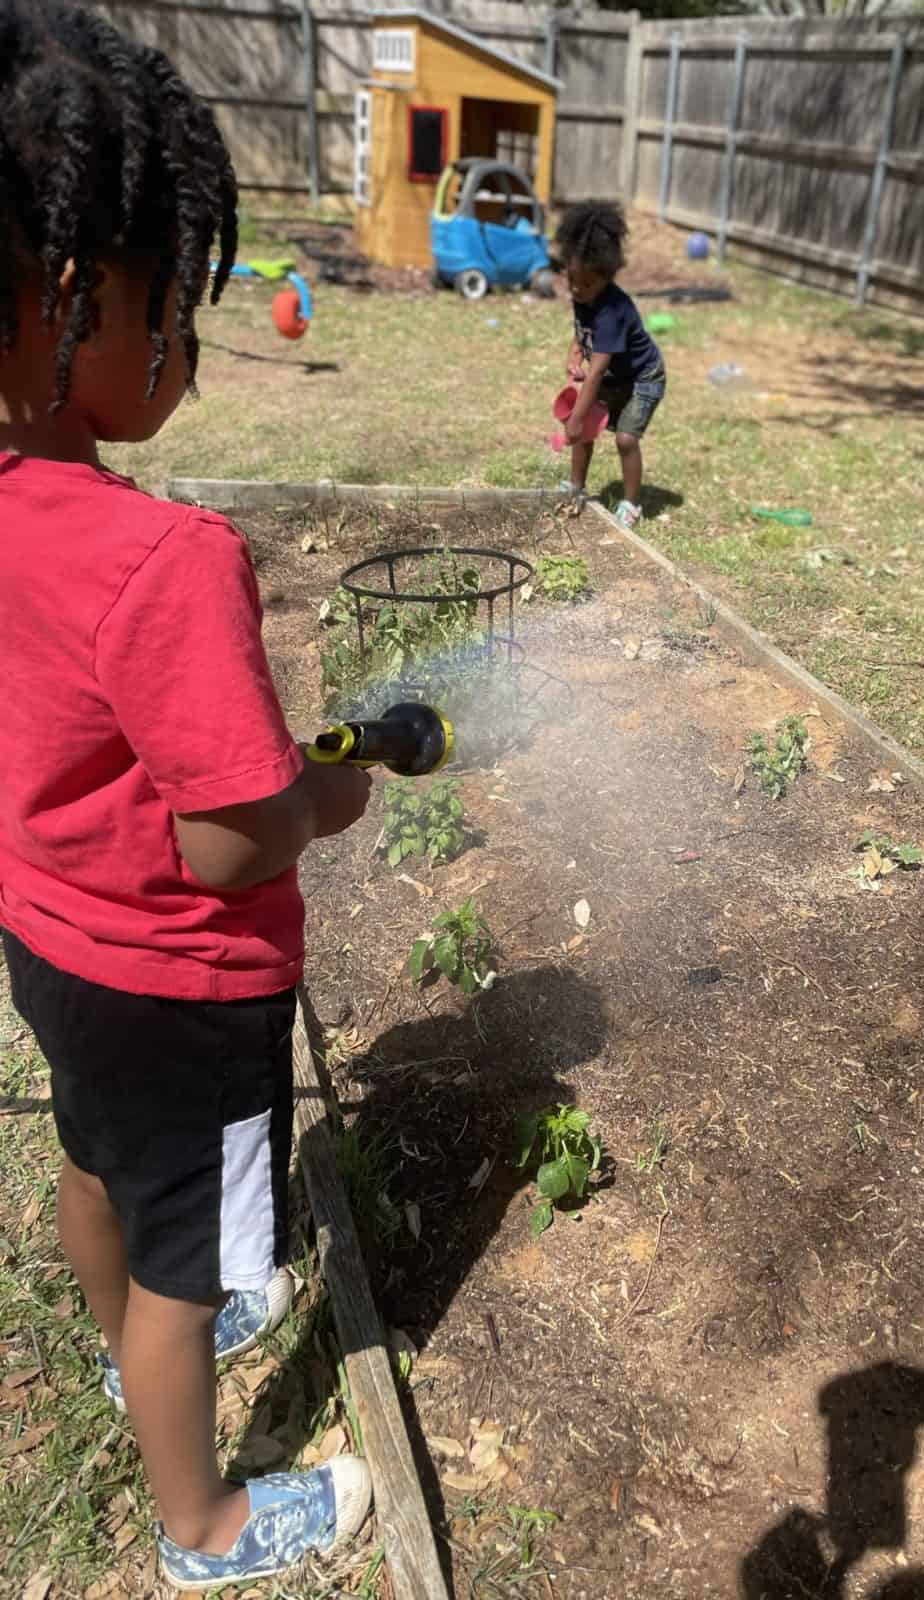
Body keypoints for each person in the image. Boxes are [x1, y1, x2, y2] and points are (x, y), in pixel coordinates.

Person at [0, 1, 375, 1587]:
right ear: (78, 305)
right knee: (196, 1264)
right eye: (180, 312)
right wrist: (330, 791)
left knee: (95, 1165)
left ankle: (120, 1360)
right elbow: (228, 845)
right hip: (187, 985)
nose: (194, 355)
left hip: (49, 955)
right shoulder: (169, 563)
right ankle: (204, 1521)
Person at [555, 202, 666, 530]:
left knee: (625, 440)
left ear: (607, 274)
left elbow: (598, 371)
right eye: (572, 280)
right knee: (587, 432)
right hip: (614, 376)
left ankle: (632, 504)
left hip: (643, 378)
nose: (577, 289)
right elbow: (581, 333)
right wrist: (574, 354)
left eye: (586, 284)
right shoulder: (583, 296)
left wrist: (575, 418)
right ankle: (575, 486)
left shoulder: (612, 312)